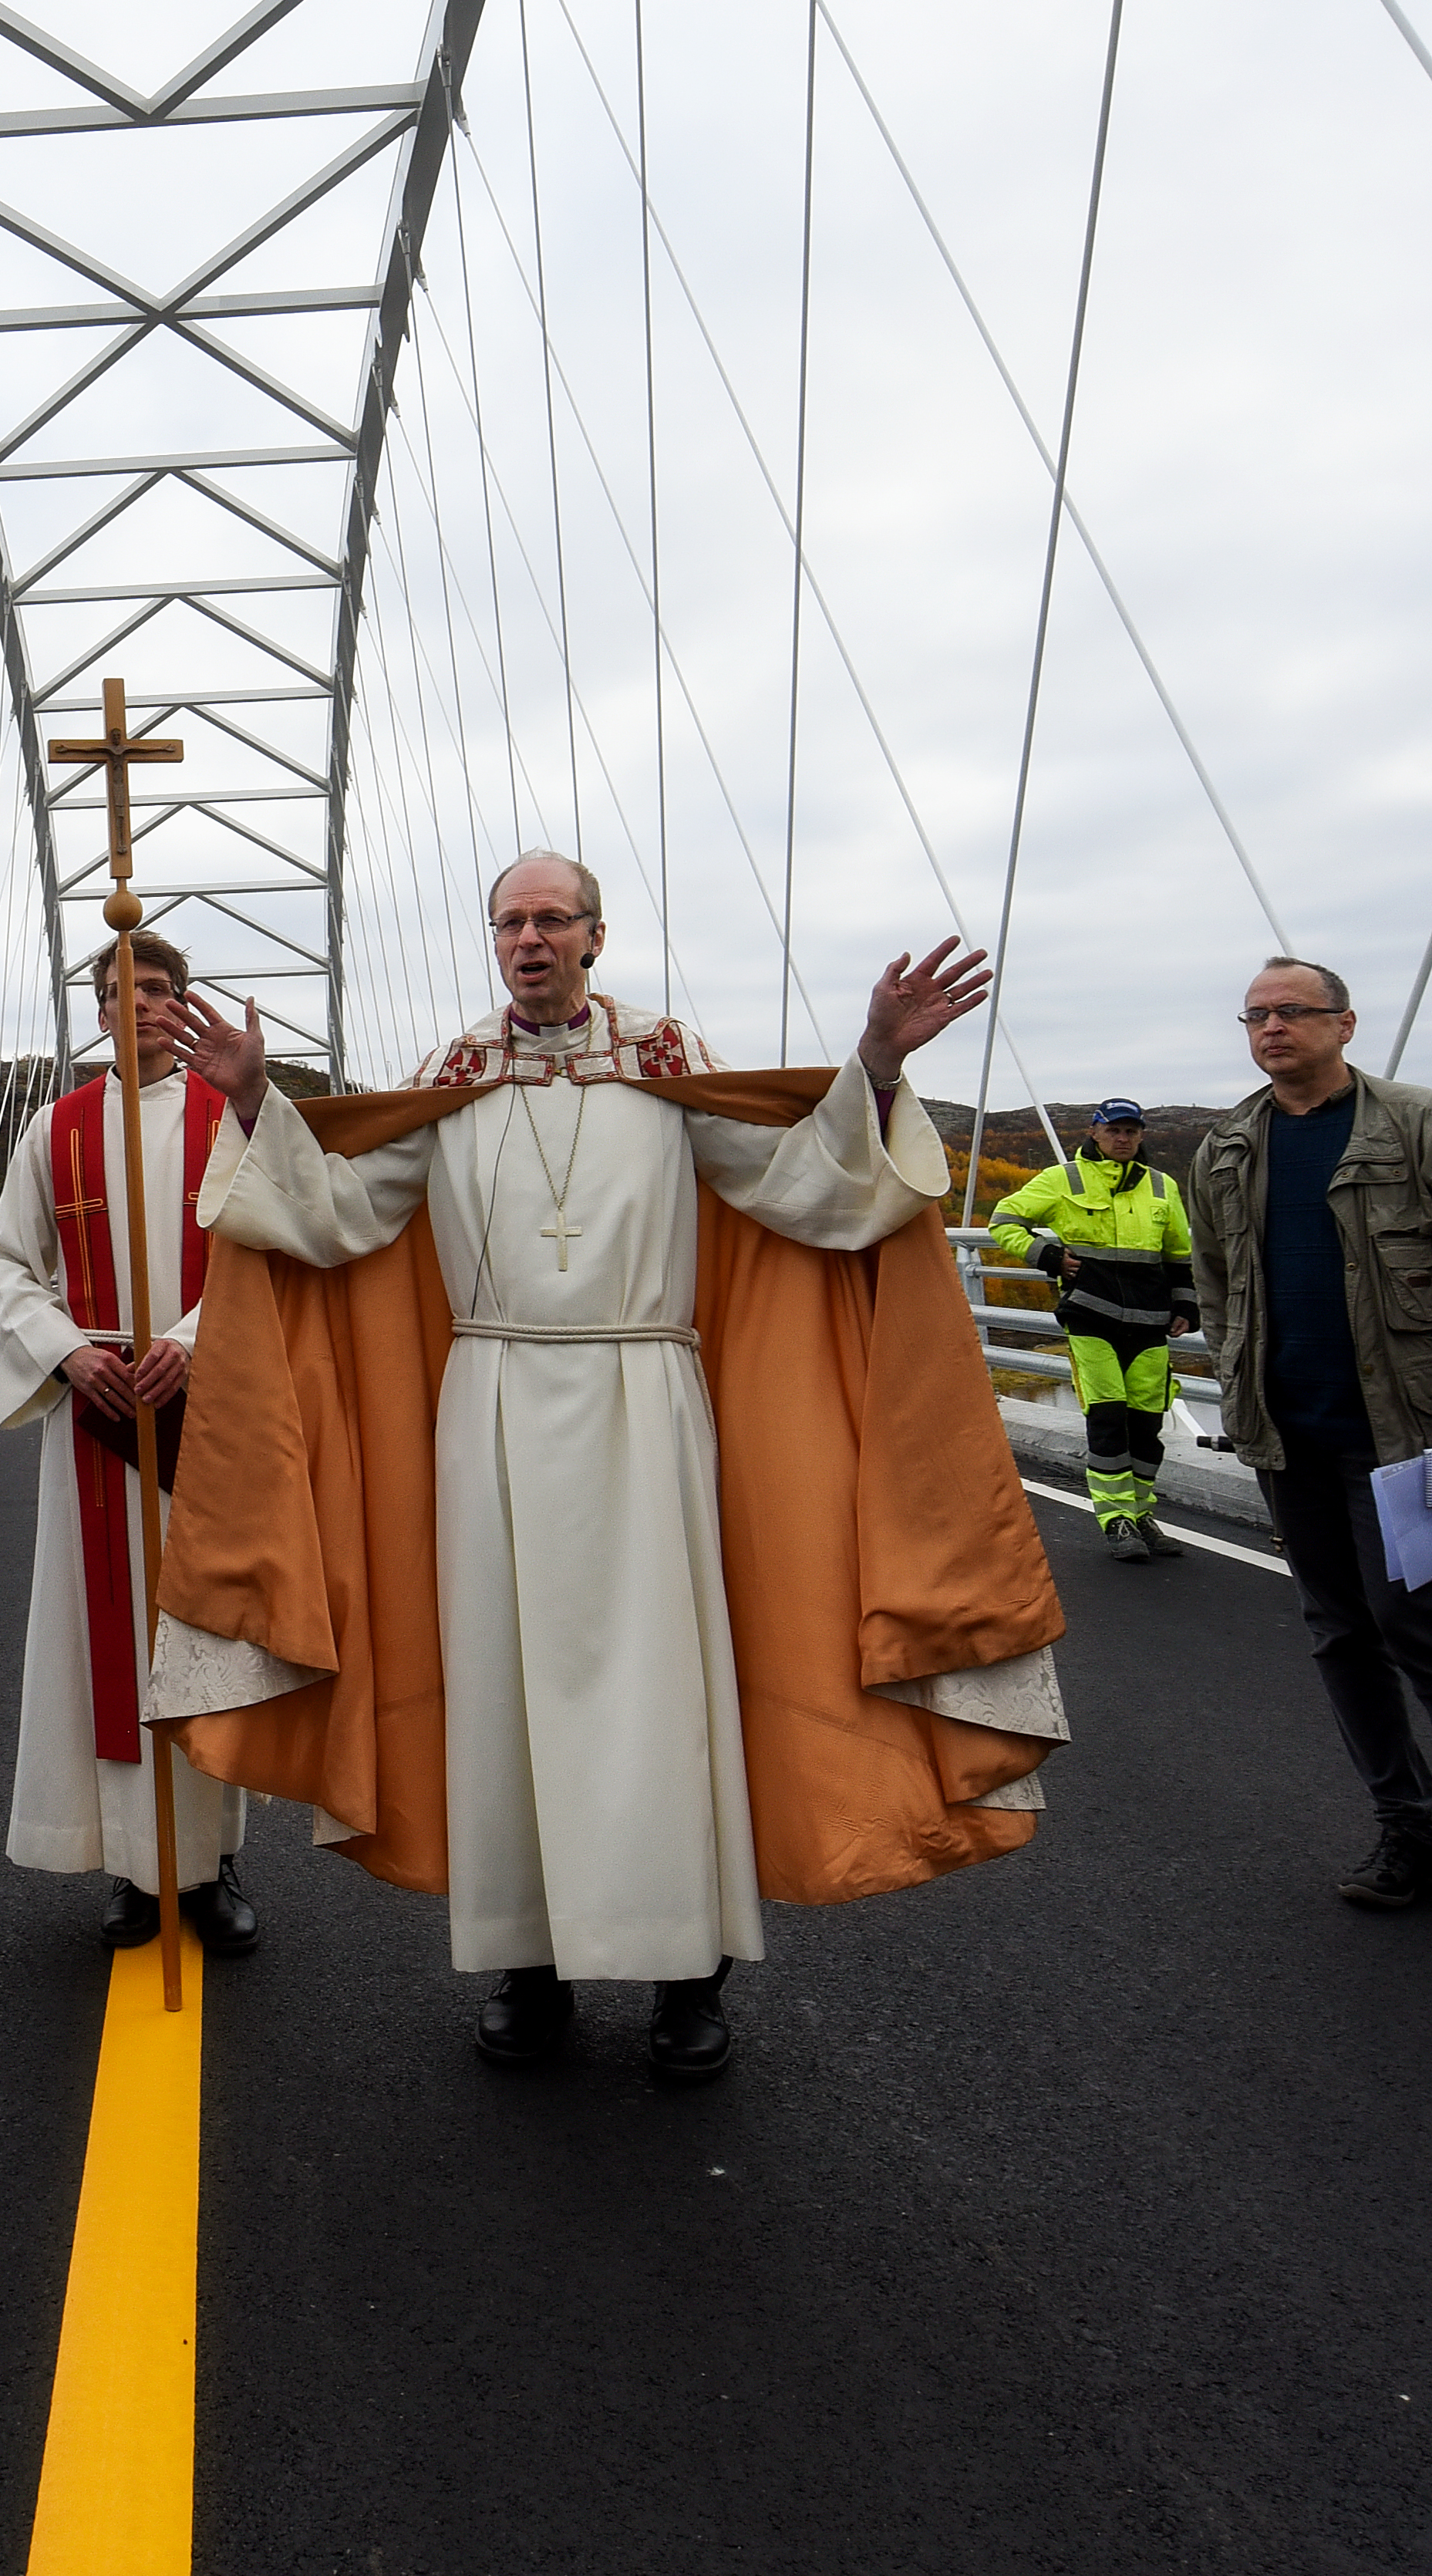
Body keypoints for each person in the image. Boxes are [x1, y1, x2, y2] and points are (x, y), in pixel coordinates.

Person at [156, 851, 1067, 2080]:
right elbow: (336, 1215)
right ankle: (526, 1972)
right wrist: (262, 1105)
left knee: (668, 1691)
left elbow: (811, 1191)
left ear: (596, 935)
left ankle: (689, 1978)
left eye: (551, 920)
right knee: (503, 1692)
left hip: (650, 1404)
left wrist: (880, 1064)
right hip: (487, 1410)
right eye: (508, 923)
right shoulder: (455, 1079)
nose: (528, 940)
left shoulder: (671, 1067)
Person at [0, 930, 258, 1957]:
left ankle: (211, 1862)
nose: (138, 1004)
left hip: (203, 1409)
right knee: (108, 1644)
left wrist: (189, 1343)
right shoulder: (58, 1129)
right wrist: (64, 1353)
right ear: (95, 1011)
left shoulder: (232, 1116)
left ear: (184, 1004)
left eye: (157, 987)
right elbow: (6, 1262)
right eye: (118, 989)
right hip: (96, 1411)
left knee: (205, 1635)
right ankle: (137, 1871)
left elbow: (267, 1251)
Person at [1187, 957, 1432, 1910]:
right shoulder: (1224, 1148)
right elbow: (1212, 1278)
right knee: (1338, 1631)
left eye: (1291, 1012)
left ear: (1344, 1023)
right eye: (1254, 1014)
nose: (1270, 1028)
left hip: (1404, 1435)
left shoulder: (1410, 1124)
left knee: (1414, 1622)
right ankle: (1404, 1824)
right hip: (1287, 1433)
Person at [990, 1097, 1198, 1561]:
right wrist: (1046, 1254)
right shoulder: (1064, 1179)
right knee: (1108, 1419)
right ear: (1095, 1132)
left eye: (1131, 1131)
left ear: (1141, 1135)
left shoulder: (1162, 1187)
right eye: (1114, 1130)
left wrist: (1186, 1303)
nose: (1122, 1139)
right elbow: (1004, 1220)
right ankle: (1116, 1518)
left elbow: (1179, 1254)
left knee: (1146, 1426)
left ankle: (1143, 1513)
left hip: (1150, 1325)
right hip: (1091, 1318)